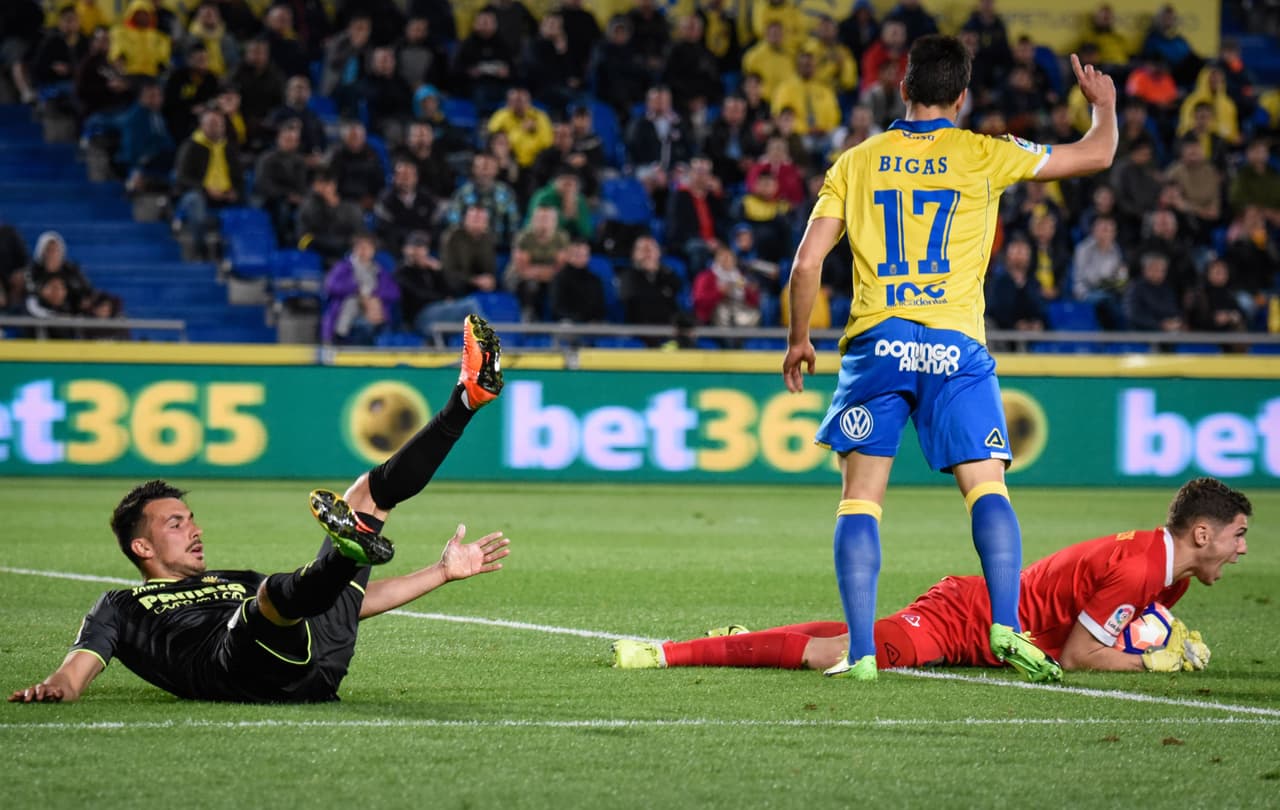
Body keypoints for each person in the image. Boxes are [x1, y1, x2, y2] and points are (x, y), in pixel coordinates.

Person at [780, 35, 1118, 683]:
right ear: (961, 97)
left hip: (879, 342)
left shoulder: (856, 161)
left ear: (902, 89)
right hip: (954, 345)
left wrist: (800, 339)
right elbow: (1096, 154)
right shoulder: (986, 153)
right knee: (986, 487)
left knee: (861, 501)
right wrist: (1102, 106)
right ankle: (1006, 627)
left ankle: (861, 651)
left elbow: (806, 263)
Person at [9, 317, 508, 704]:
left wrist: (440, 573)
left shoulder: (230, 577)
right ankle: (344, 548)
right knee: (272, 596)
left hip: (314, 658)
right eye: (176, 523)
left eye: (191, 519)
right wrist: (57, 687)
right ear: (141, 546)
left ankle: (465, 400)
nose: (195, 529)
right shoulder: (119, 606)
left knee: (366, 493)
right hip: (237, 667)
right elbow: (78, 668)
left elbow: (350, 603)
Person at [613, 478, 1247, 677]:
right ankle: (666, 653)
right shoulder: (1141, 565)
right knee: (840, 656)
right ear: (1202, 534)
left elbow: (1115, 626)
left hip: (990, 623)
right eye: (1238, 534)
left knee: (857, 634)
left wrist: (1165, 635)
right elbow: (1082, 654)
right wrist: (1154, 664)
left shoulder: (1169, 576)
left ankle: (743, 634)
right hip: (967, 621)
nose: (1243, 548)